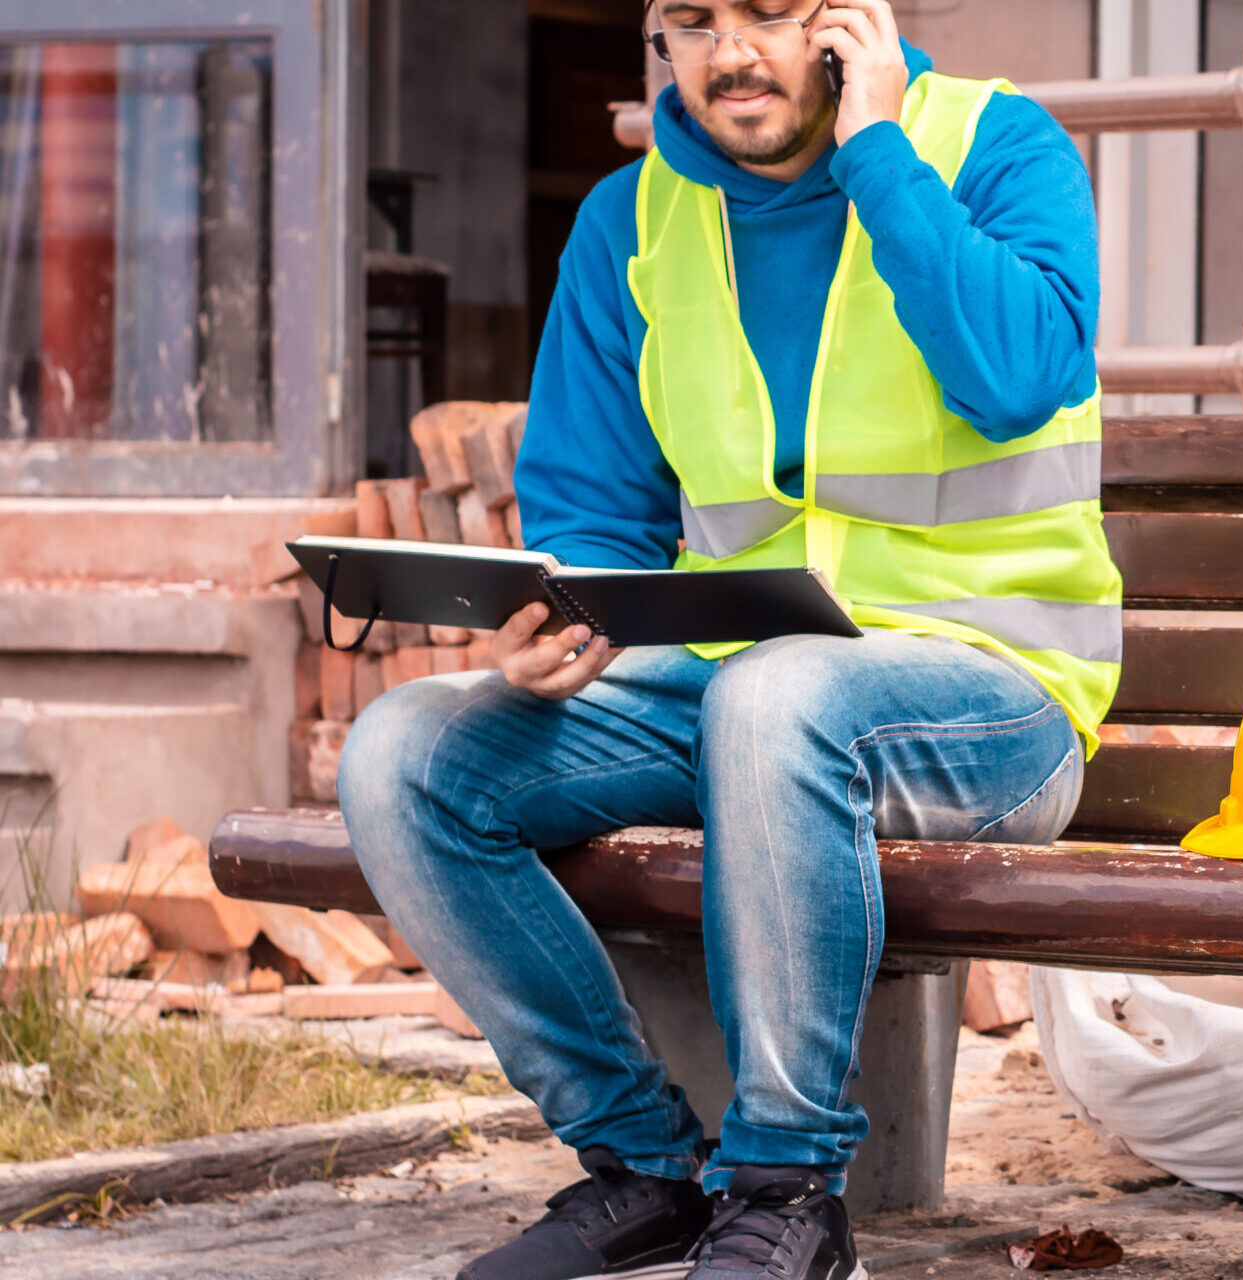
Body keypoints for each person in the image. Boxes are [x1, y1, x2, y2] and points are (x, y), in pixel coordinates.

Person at [335, 1, 1116, 1276]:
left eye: (768, 10)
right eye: (692, 20)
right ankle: (643, 1163)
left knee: (778, 696)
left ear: (851, 19)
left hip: (995, 694)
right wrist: (564, 621)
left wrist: (876, 154)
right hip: (735, 691)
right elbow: (596, 511)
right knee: (404, 753)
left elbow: (1021, 372)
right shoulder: (631, 220)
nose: (730, 52)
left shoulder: (997, 147)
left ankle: (787, 1191)